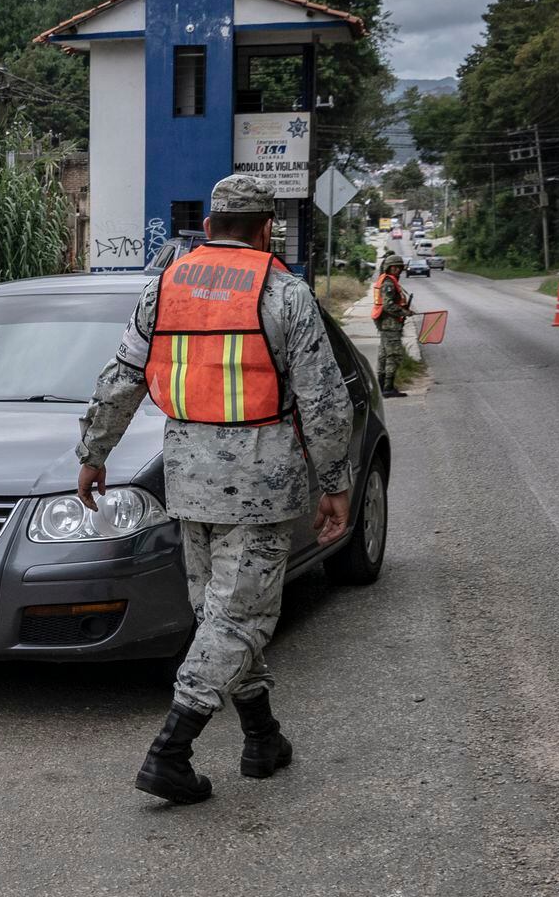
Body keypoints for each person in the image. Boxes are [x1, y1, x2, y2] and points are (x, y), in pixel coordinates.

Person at [75, 173, 356, 805]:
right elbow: (324, 401)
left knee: (221, 614)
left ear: (208, 228)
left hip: (188, 481)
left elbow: (122, 375)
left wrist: (93, 453)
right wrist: (336, 483)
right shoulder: (283, 293)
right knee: (242, 616)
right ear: (265, 231)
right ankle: (170, 751)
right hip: (261, 484)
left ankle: (263, 738)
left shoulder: (164, 288)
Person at [371, 254, 413, 397]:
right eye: (395, 267)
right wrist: (404, 312)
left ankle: (382, 386)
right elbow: (388, 305)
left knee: (384, 355)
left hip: (385, 324)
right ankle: (388, 388)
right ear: (389, 268)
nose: (398, 270)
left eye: (399, 267)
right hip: (390, 324)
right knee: (393, 355)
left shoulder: (386, 281)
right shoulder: (388, 284)